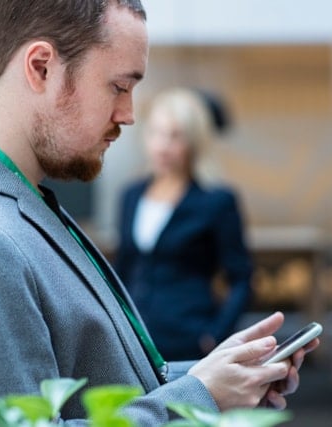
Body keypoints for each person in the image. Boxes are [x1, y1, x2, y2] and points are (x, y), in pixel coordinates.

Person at [0, 1, 319, 426]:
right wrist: (198, 398)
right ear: (41, 68)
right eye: (119, 86)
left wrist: (210, 376)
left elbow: (98, 381)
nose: (129, 116)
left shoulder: (7, 198)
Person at [114, 88, 253, 361]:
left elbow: (241, 278)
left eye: (175, 136)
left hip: (189, 338)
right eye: (155, 133)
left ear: (194, 142)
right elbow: (124, 267)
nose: (162, 145)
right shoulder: (131, 195)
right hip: (135, 337)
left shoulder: (216, 200)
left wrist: (215, 335)